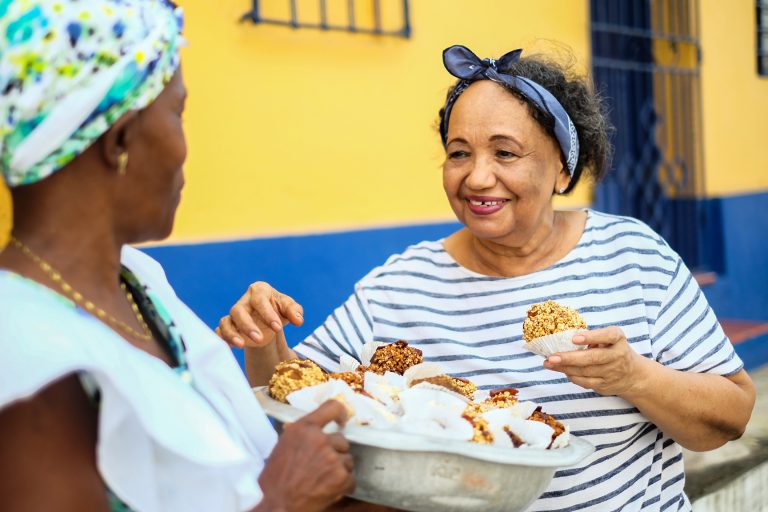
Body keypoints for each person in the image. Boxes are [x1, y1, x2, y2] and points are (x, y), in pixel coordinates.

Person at [218, 45, 756, 511]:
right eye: (459, 153)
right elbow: (295, 397)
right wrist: (264, 341)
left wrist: (633, 377)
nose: (476, 177)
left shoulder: (633, 255)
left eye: (505, 152)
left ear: (563, 170)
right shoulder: (401, 286)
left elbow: (730, 415)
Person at [0, 1, 359, 511]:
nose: (184, 145)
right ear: (121, 138)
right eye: (178, 112)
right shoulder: (24, 360)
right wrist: (281, 501)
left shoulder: (139, 281)